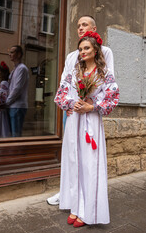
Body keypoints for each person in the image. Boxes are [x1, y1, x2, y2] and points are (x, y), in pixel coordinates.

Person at [47, 15, 115, 206]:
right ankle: (66, 193)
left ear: (94, 28)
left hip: (89, 111)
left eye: (84, 24)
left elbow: (107, 80)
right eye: (78, 25)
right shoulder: (71, 55)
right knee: (70, 153)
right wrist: (67, 104)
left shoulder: (105, 52)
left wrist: (92, 105)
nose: (80, 28)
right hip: (71, 110)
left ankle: (88, 199)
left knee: (86, 156)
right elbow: (64, 82)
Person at [6, 45, 29, 137]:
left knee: (16, 134)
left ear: (19, 54)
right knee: (13, 133)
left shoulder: (22, 69)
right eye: (9, 52)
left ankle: (18, 151)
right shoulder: (15, 69)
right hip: (13, 105)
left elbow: (17, 88)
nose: (9, 54)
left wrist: (7, 102)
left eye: (12, 52)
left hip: (17, 106)